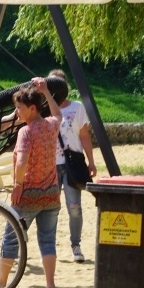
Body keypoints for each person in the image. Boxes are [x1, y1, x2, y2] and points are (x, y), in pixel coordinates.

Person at [0, 77, 62, 288]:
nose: (17, 112)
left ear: (32, 108)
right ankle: (50, 286)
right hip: (52, 193)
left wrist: (17, 184)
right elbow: (58, 115)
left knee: (11, 238)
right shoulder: (51, 126)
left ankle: (2, 285)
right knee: (47, 240)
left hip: (28, 196)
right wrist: (45, 91)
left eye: (19, 108)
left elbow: (22, 161)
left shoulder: (26, 132)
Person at [49, 69, 96, 262]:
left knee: (74, 206)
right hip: (51, 164)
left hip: (71, 163)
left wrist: (91, 161)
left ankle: (75, 244)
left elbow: (84, 136)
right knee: (49, 208)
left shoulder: (76, 108)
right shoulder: (44, 110)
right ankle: (48, 246)